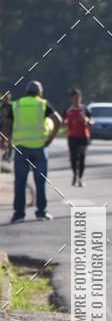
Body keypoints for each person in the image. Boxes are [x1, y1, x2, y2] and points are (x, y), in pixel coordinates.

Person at [6, 80, 61, 223]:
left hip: (21, 148)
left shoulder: (16, 105)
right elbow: (58, 120)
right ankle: (41, 212)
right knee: (40, 181)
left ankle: (19, 214)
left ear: (26, 92)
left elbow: (7, 124)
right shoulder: (42, 104)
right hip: (39, 148)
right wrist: (50, 139)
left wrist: (6, 141)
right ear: (39, 93)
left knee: (20, 182)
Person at [63, 88, 91, 186]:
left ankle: (80, 178)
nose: (76, 100)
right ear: (72, 99)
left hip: (83, 136)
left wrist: (87, 121)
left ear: (81, 98)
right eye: (75, 98)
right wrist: (65, 123)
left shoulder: (85, 110)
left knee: (82, 156)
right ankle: (75, 174)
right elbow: (63, 122)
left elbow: (91, 121)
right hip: (72, 137)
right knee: (74, 157)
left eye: (78, 98)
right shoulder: (68, 111)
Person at [0, 92, 13, 162]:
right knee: (3, 141)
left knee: (10, 141)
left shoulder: (11, 106)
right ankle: (4, 155)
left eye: (7, 98)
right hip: (2, 125)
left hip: (10, 126)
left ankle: (9, 156)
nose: (6, 99)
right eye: (5, 98)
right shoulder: (2, 106)